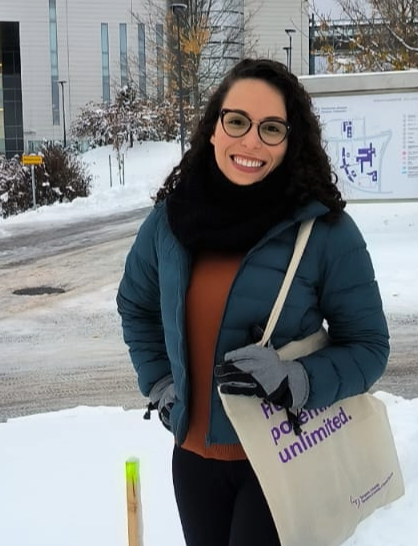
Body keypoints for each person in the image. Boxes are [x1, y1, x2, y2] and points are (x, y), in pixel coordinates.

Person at [116, 58, 390, 546]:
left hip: (285, 457)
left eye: (271, 128)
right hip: (194, 461)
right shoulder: (170, 222)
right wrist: (158, 381)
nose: (251, 142)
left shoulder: (324, 231)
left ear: (291, 142)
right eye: (238, 121)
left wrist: (298, 379)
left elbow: (369, 347)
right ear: (215, 128)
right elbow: (135, 305)